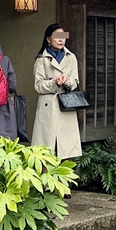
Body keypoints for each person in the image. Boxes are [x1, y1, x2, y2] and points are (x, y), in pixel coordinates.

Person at [31, 24, 82, 160]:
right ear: (48, 39)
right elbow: (38, 85)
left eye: (63, 37)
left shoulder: (71, 57)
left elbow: (75, 82)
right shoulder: (42, 59)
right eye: (57, 37)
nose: (61, 40)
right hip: (48, 107)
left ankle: (65, 180)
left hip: (66, 105)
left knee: (66, 151)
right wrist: (54, 83)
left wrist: (66, 80)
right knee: (46, 151)